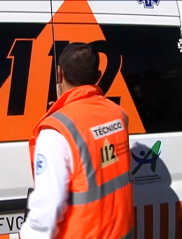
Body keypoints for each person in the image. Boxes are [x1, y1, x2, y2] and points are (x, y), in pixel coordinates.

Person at [19, 43, 134, 239]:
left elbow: (48, 204)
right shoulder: (117, 114)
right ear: (98, 76)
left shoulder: (57, 130)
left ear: (59, 73)